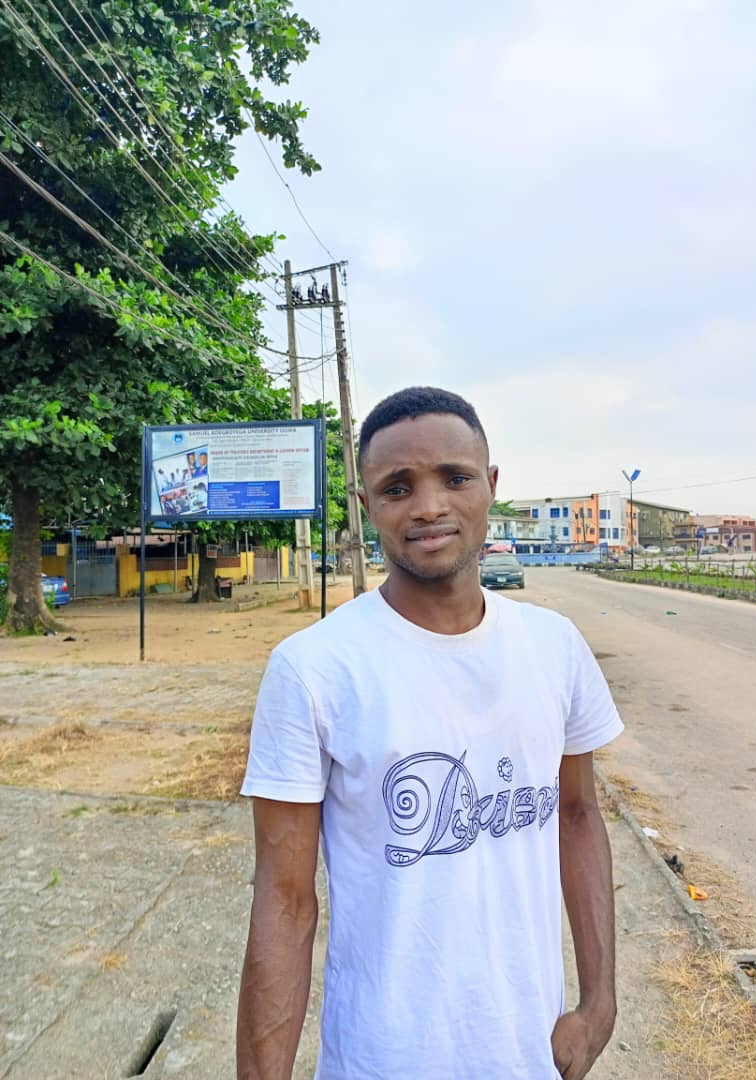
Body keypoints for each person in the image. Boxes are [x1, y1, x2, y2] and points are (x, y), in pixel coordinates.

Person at [237, 386, 623, 1080]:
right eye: (397, 487)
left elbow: (576, 815)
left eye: (454, 477)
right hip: (380, 1059)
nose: (428, 506)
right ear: (366, 506)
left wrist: (598, 1005)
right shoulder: (313, 668)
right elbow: (285, 902)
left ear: (491, 485)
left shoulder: (554, 645)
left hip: (530, 1054)